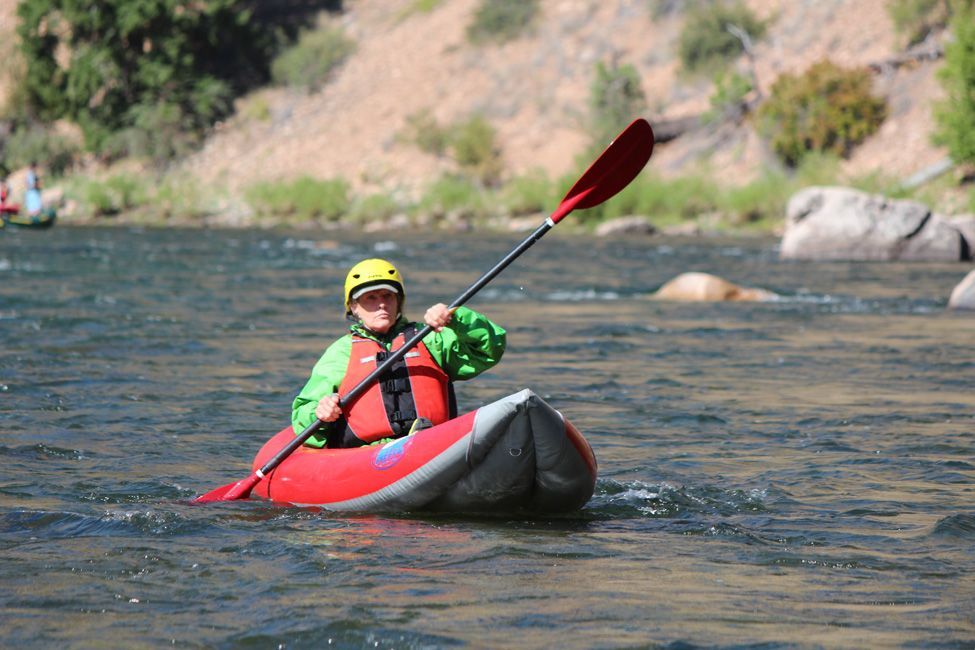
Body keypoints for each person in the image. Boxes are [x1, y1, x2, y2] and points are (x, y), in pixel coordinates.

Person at [291, 258, 507, 448]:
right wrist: (319, 411)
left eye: (388, 296)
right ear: (354, 307)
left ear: (399, 301)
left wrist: (457, 320)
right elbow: (303, 416)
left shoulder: (431, 337)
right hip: (368, 454)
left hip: (431, 443)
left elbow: (488, 349)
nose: (382, 304)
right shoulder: (340, 353)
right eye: (370, 298)